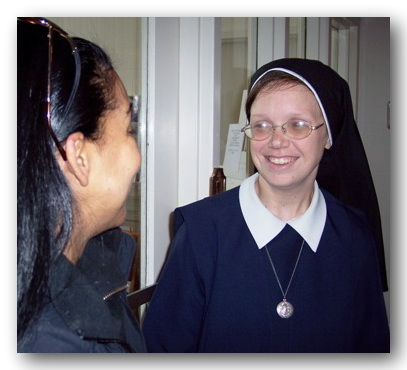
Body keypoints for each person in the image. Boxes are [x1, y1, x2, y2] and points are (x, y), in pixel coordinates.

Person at [142, 58, 390, 353]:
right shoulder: (202, 233)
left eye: (297, 125)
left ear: (329, 137)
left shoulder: (354, 236)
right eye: (262, 126)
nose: (276, 141)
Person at [17, 18, 145, 352]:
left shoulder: (88, 264)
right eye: (128, 129)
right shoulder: (52, 342)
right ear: (79, 157)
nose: (137, 153)